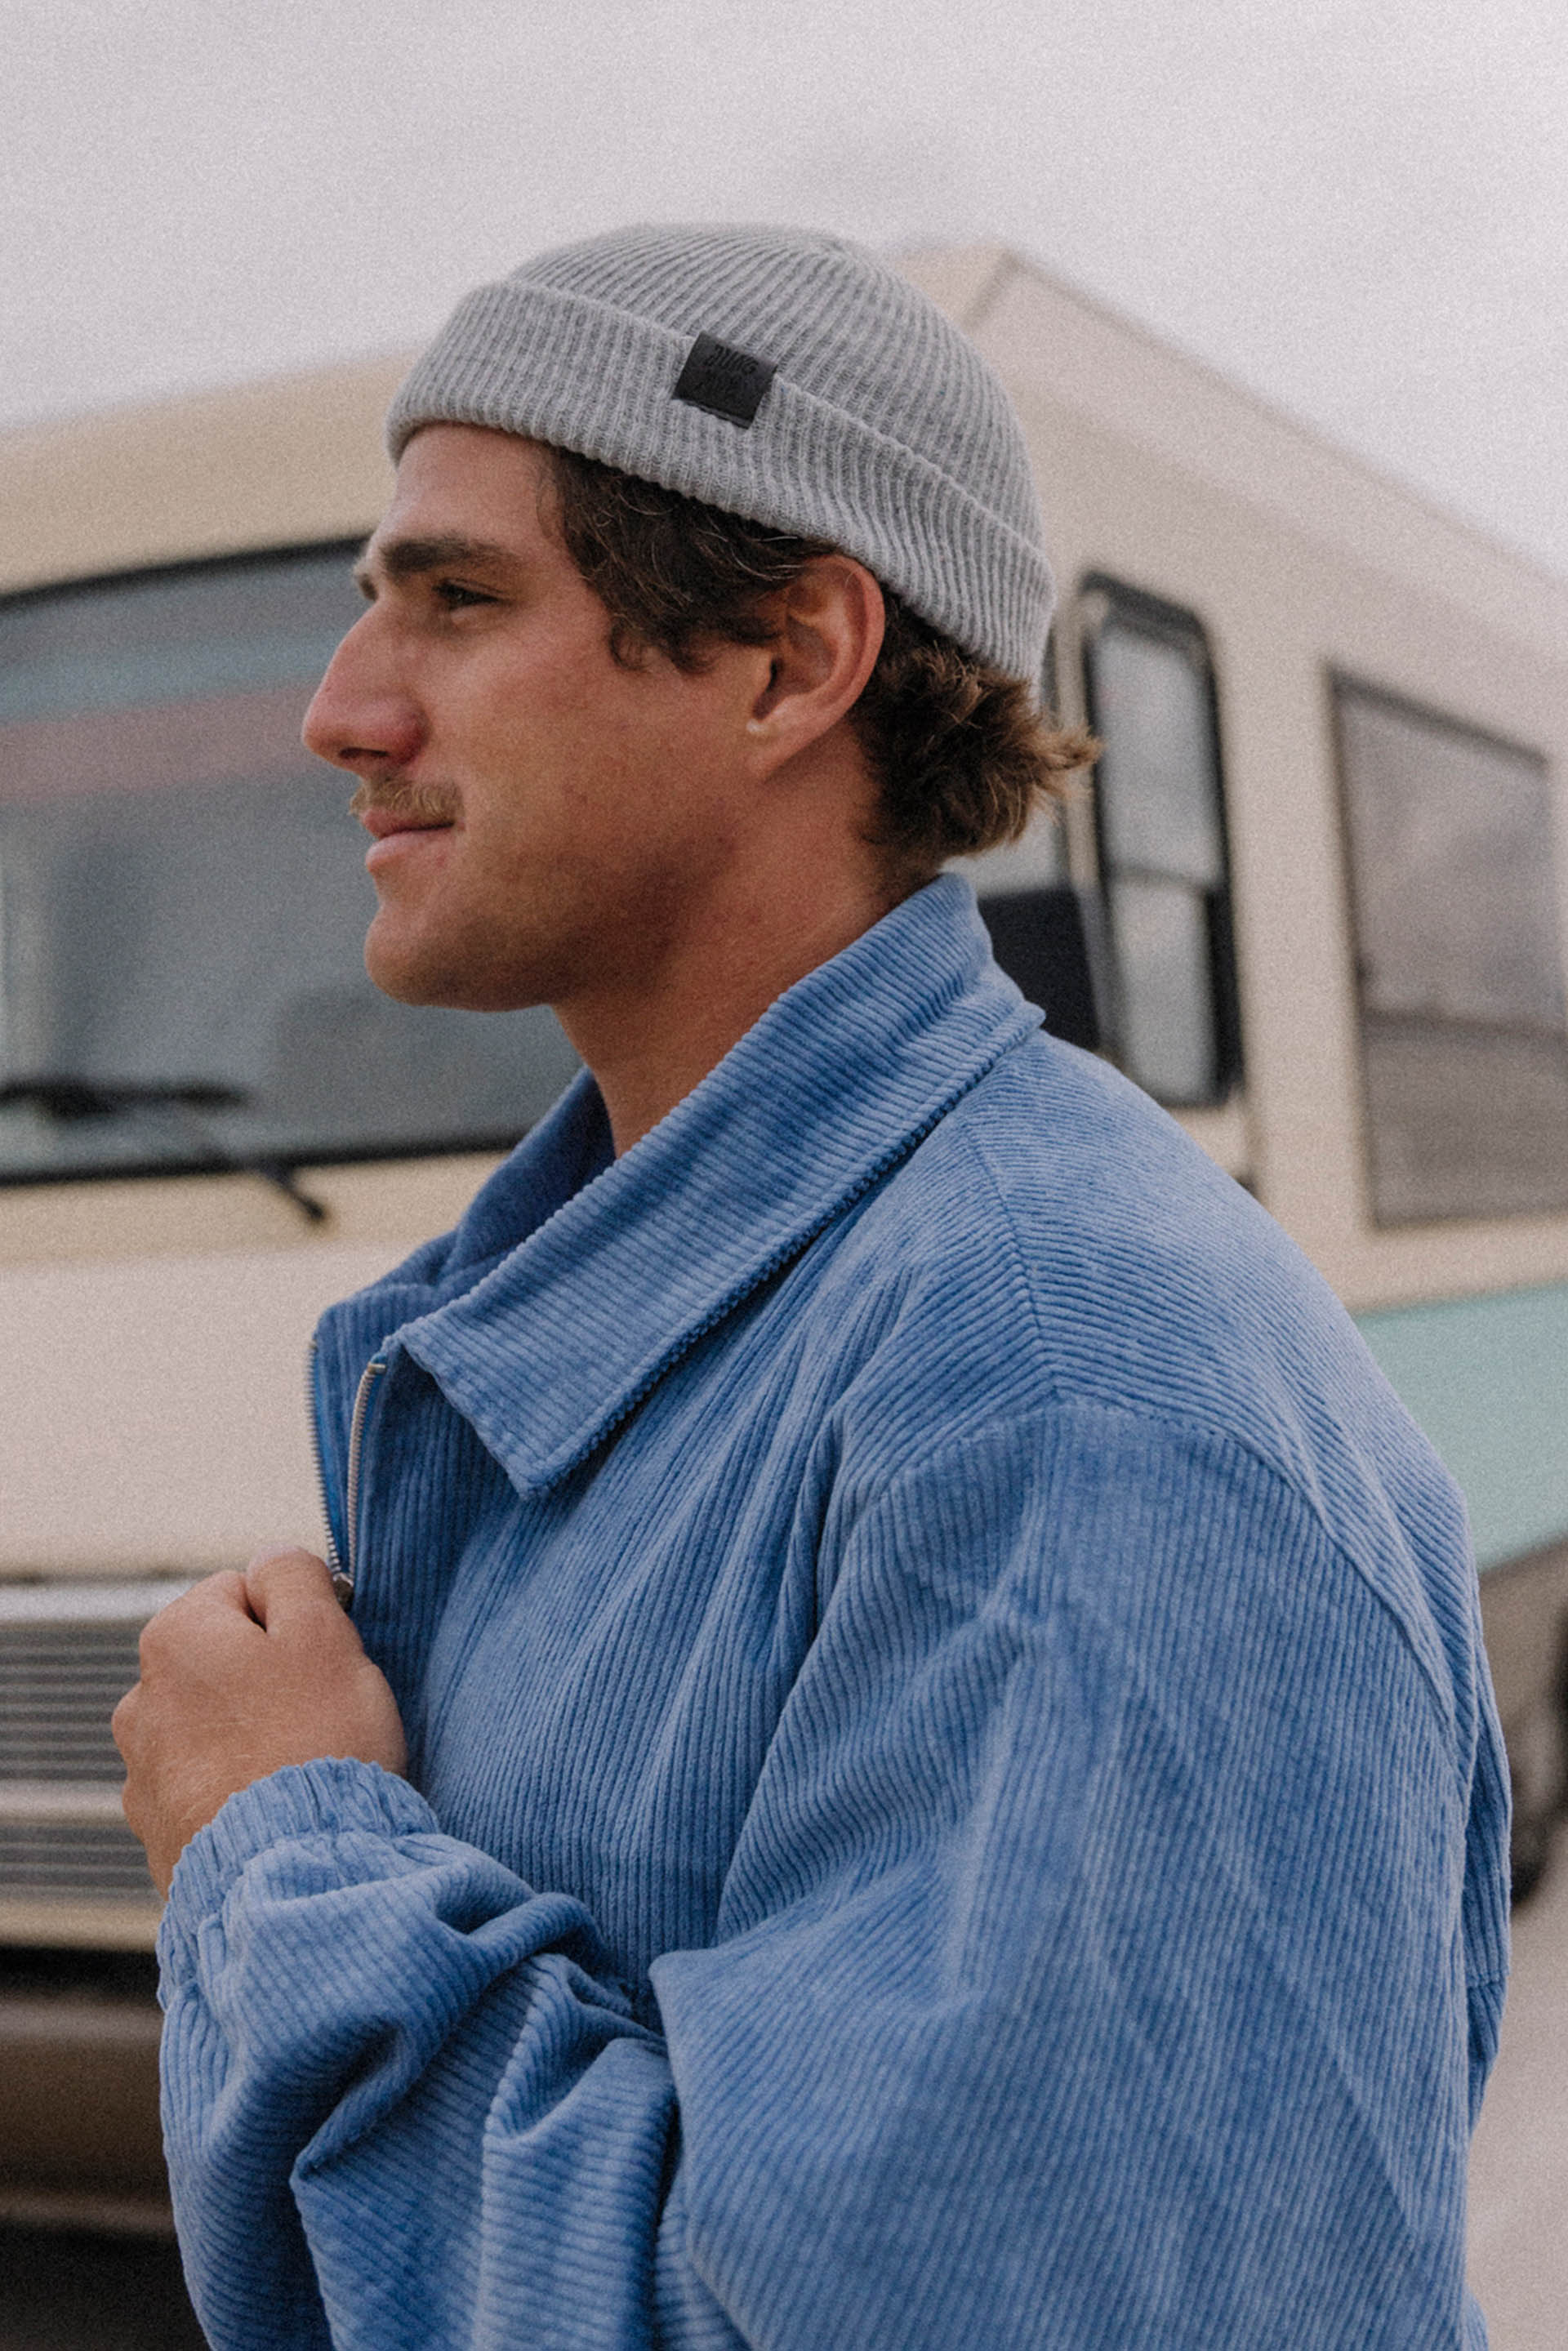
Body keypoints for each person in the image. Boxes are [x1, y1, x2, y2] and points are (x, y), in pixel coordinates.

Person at [114, 225, 1508, 2350]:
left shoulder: (1065, 1399)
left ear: (788, 659)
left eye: (459, 599)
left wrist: (283, 1852)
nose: (341, 710)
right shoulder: (663, 1306)